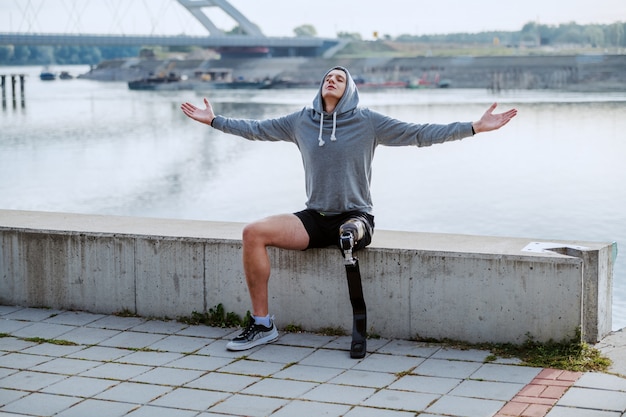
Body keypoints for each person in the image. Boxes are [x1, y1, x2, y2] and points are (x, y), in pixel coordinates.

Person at [181, 66, 517, 353]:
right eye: (329, 76)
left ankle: (354, 278)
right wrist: (214, 121)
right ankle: (263, 324)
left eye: (340, 78)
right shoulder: (301, 121)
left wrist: (473, 127)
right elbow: (256, 129)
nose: (332, 80)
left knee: (348, 232)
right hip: (315, 217)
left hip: (356, 217)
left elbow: (419, 133)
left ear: (350, 88)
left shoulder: (367, 122)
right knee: (252, 232)